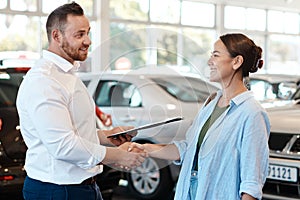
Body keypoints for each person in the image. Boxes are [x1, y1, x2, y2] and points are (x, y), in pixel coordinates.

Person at [16, 2, 146, 200]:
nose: (88, 41)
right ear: (56, 36)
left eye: (88, 33)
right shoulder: (44, 81)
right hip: (58, 190)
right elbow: (63, 145)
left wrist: (105, 135)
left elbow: (70, 130)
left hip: (80, 187)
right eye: (79, 35)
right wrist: (117, 156)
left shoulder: (66, 74)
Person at [141, 33, 270, 200]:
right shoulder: (211, 104)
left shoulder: (252, 113)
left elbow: (251, 182)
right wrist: (145, 149)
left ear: (236, 61)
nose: (210, 62)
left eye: (216, 55)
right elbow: (188, 149)